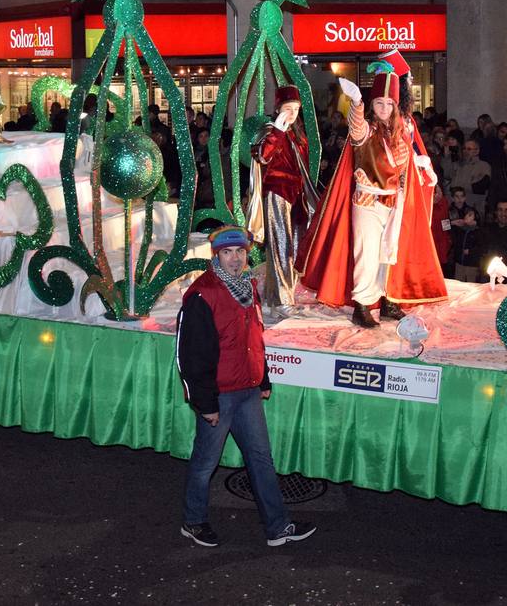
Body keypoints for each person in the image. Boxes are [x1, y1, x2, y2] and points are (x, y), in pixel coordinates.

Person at [176, 226, 316, 549]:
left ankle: (278, 527)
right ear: (216, 255)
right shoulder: (202, 293)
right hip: (220, 396)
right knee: (205, 463)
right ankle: (193, 521)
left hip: (248, 390)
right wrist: (205, 402)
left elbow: (255, 337)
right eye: (228, 253)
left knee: (261, 458)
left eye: (240, 252)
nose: (236, 259)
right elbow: (190, 355)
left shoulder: (248, 286)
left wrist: (263, 378)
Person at [297, 68, 447, 328]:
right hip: (368, 201)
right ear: (372, 104)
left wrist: (423, 166)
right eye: (379, 103)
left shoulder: (402, 131)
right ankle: (363, 305)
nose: (385, 108)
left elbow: (405, 162)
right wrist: (356, 103)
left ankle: (387, 299)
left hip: (394, 202)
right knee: (366, 254)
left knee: (389, 253)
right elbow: (356, 128)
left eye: (389, 103)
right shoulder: (366, 131)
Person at [247, 85, 313, 317]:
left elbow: (302, 168)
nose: (292, 113)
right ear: (278, 109)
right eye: (288, 108)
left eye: (295, 108)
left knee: (295, 248)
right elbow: (262, 156)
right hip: (276, 194)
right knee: (281, 248)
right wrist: (276, 131)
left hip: (297, 196)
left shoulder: (298, 135)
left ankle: (275, 299)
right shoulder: (269, 131)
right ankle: (283, 299)